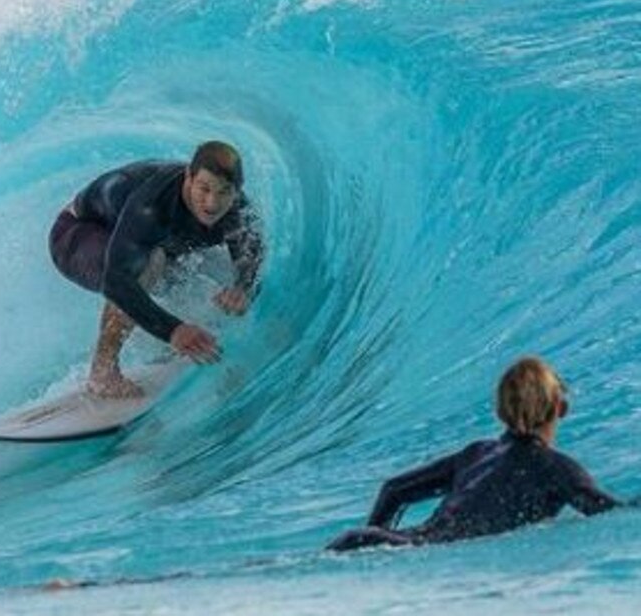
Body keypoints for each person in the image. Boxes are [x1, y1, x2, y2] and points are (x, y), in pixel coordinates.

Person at [326, 356, 627, 552]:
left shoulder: (477, 453)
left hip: (366, 538)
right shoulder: (559, 469)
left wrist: (379, 552)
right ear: (561, 409)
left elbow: (393, 490)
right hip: (422, 550)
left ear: (500, 409)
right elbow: (612, 514)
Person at [49, 141, 263, 398]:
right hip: (77, 234)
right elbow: (116, 281)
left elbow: (252, 257)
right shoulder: (151, 207)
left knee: (210, 266)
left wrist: (242, 289)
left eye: (224, 192)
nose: (212, 203)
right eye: (203, 189)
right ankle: (103, 373)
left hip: (147, 240)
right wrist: (173, 330)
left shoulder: (237, 208)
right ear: (189, 177)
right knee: (150, 262)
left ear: (236, 190)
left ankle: (172, 345)